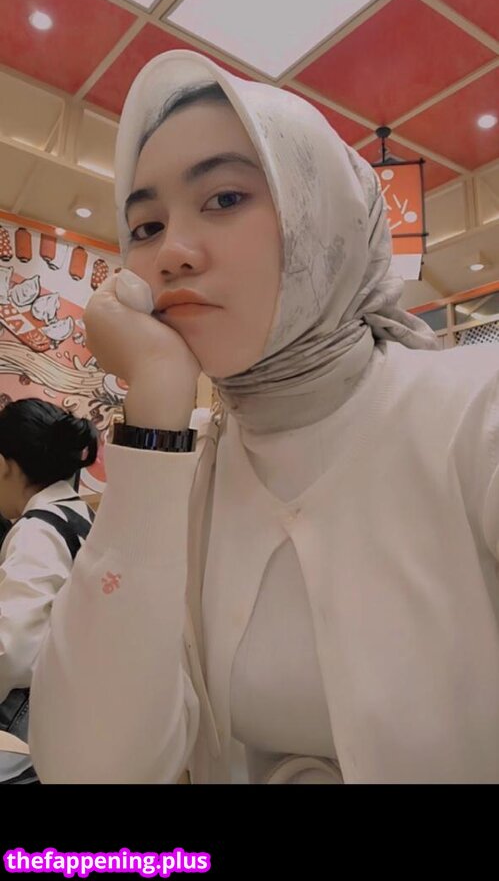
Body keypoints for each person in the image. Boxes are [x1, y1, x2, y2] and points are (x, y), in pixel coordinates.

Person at [29, 50, 499, 784]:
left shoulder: (476, 410)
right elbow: (91, 770)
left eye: (224, 198)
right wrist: (155, 410)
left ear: (323, 215)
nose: (172, 253)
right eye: (146, 226)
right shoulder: (193, 474)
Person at [0, 398, 97, 781]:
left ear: (4, 466)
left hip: (29, 713)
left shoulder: (37, 531)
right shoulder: (79, 514)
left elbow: (11, 648)